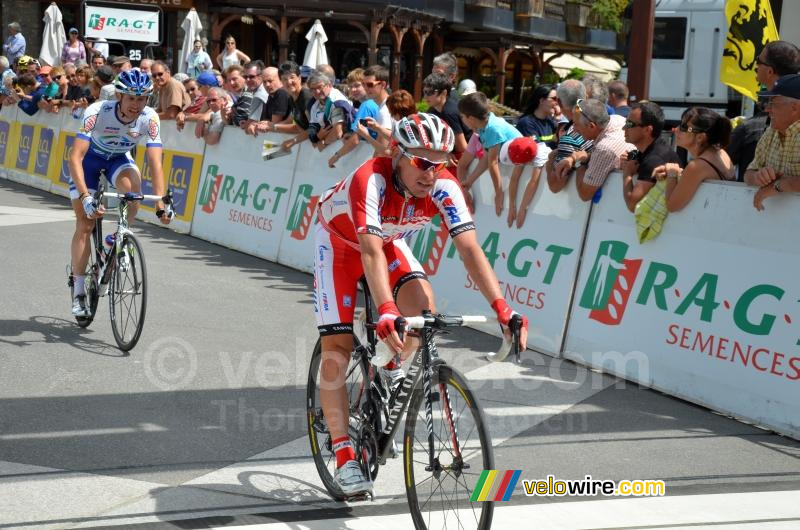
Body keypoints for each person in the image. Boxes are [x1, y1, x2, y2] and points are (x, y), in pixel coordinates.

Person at [313, 112, 529, 497]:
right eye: (422, 162)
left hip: (388, 242)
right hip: (339, 247)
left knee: (423, 309)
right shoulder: (371, 179)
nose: (431, 173)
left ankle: (387, 370)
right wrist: (386, 309)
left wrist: (503, 308)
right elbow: (368, 253)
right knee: (338, 348)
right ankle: (344, 456)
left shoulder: (444, 186)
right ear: (397, 153)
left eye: (441, 163)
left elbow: (469, 249)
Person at [67, 69, 172, 316]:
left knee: (134, 189)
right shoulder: (96, 111)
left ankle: (120, 236)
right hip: (89, 161)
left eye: (142, 98)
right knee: (85, 224)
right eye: (131, 98)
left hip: (118, 159)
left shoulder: (150, 118)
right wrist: (85, 197)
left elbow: (155, 162)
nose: (137, 104)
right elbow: (75, 157)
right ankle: (79, 291)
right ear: (119, 96)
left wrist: (161, 203)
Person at [653, 107, 734, 212]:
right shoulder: (721, 153)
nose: (676, 129)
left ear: (700, 137)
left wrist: (672, 174)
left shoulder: (697, 166)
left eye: (684, 127)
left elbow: (671, 206)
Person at [458, 91, 522, 215]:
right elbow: (486, 159)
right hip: (516, 164)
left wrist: (499, 193)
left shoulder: (492, 128)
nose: (462, 120)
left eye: (462, 117)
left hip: (523, 165)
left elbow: (492, 163)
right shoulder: (485, 125)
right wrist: (470, 181)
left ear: (471, 118)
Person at [743, 74, 800, 211]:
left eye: (773, 104)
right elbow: (748, 174)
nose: (767, 109)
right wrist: (757, 177)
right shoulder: (771, 133)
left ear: (794, 107)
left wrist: (778, 186)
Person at [568, 98, 633, 202]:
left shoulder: (604, 149)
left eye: (576, 124)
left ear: (591, 126)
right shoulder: (617, 119)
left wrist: (580, 163)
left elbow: (585, 194)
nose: (573, 129)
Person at [621, 101, 680, 212]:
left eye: (629, 124)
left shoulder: (655, 159)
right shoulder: (652, 149)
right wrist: (628, 160)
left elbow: (633, 206)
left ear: (647, 130)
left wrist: (627, 174)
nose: (624, 128)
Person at [423, 72, 470, 155]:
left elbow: (462, 147)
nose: (426, 96)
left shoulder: (449, 112)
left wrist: (445, 154)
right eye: (425, 92)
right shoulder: (432, 111)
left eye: (430, 92)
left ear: (444, 93)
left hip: (472, 154)